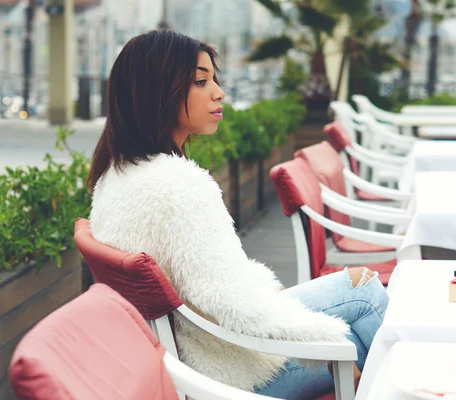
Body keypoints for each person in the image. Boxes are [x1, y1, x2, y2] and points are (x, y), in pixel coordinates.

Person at [88, 30, 389, 400]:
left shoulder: (115, 178)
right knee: (364, 294)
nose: (218, 92)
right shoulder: (177, 186)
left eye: (215, 79)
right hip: (231, 375)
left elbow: (214, 285)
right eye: (201, 81)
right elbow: (235, 306)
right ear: (156, 91)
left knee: (362, 317)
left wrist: (279, 297)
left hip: (190, 362)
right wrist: (328, 342)